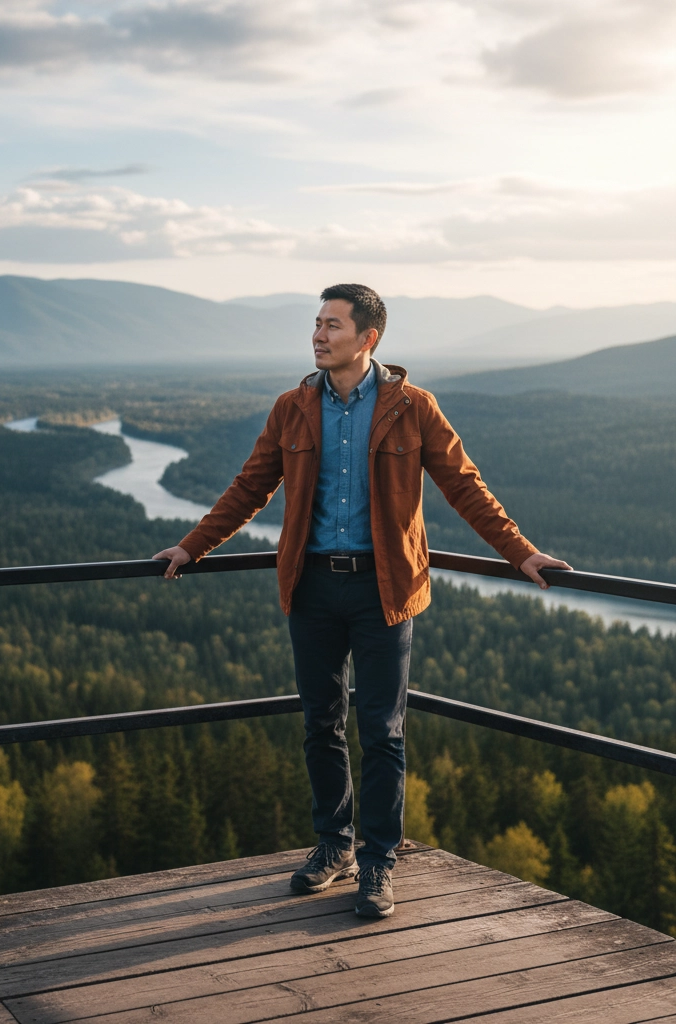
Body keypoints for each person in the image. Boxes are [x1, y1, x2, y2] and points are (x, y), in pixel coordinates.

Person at [153, 283, 571, 919]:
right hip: (313, 586)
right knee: (320, 723)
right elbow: (250, 487)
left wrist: (522, 553)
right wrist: (192, 546)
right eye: (316, 324)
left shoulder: (413, 407)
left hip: (386, 589)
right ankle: (334, 845)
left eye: (332, 325)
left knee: (381, 730)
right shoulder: (293, 407)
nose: (318, 335)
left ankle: (378, 862)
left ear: (368, 338)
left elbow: (465, 486)